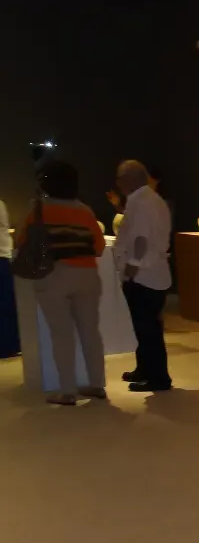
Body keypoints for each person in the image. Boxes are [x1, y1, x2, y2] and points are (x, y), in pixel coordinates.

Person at [14, 161, 106, 404]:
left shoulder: (37, 209)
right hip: (87, 275)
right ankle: (97, 385)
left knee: (61, 333)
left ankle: (67, 391)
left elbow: (21, 241)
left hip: (53, 276)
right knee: (91, 332)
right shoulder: (85, 211)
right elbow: (99, 247)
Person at [114, 159, 172, 392]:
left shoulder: (143, 202)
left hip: (144, 276)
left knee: (148, 328)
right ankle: (146, 369)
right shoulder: (148, 199)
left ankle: (158, 378)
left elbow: (140, 237)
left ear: (128, 180)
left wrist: (133, 264)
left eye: (119, 178)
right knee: (145, 326)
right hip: (150, 273)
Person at [0, 196, 20, 358]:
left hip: (2, 257)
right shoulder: (1, 204)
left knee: (4, 304)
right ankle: (10, 345)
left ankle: (7, 346)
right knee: (6, 304)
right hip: (4, 257)